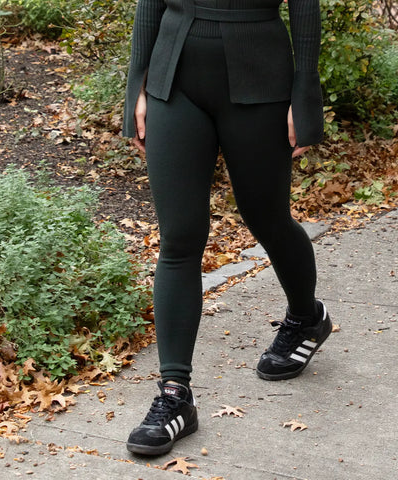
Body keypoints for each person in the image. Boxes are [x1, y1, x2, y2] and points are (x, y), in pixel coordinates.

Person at [122, 0, 332, 456]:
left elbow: (305, 7)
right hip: (173, 77)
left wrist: (304, 93)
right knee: (179, 238)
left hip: (260, 73)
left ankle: (305, 319)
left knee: (267, 218)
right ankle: (175, 395)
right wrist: (136, 84)